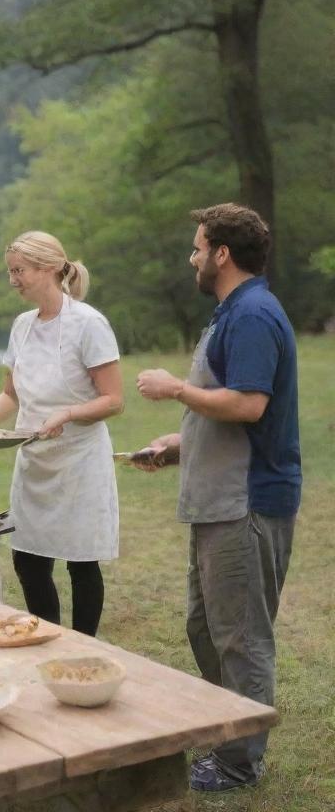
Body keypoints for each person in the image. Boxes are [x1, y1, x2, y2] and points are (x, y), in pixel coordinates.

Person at [134, 203, 300, 793]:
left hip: (244, 502)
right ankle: (230, 736)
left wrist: (174, 388)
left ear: (222, 254)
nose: (193, 256)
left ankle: (238, 763)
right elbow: (231, 405)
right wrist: (181, 442)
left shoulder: (252, 314)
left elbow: (251, 404)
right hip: (215, 498)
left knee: (242, 637)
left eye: (199, 246)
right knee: (205, 629)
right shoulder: (231, 312)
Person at [0, 231, 124, 637]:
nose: (13, 280)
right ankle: (51, 639)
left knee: (81, 563)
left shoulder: (89, 324)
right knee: (29, 561)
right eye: (10, 272)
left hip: (80, 461)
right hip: (34, 461)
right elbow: (10, 393)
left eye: (19, 271)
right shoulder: (22, 326)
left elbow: (113, 400)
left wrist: (67, 413)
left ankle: (86, 645)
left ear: (49, 268)